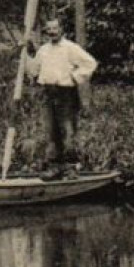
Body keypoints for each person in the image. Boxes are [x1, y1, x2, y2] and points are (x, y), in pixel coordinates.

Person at [26, 17, 97, 165]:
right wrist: (24, 54)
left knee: (67, 128)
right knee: (51, 129)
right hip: (48, 92)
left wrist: (74, 77)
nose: (52, 32)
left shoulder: (70, 48)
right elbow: (33, 70)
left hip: (66, 93)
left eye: (55, 28)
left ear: (61, 30)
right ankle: (55, 164)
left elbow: (90, 63)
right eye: (49, 29)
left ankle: (72, 164)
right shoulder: (43, 50)